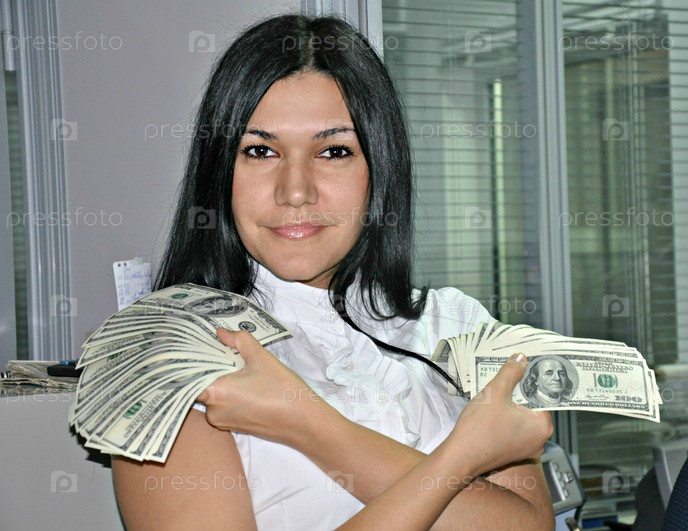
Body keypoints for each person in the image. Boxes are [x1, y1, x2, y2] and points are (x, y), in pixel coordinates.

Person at [111, 14, 554, 530]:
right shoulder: (171, 355)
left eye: (333, 151)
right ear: (221, 172)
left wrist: (307, 423)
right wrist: (463, 455)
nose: (295, 190)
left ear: (378, 169)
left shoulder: (455, 324)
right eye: (260, 151)